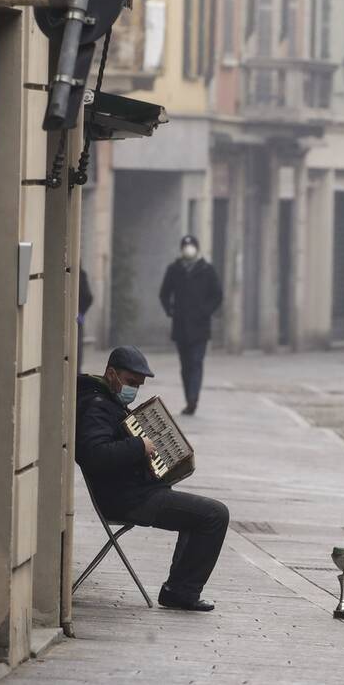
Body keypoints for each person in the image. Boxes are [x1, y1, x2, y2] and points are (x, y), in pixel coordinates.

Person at [75, 346, 229, 612]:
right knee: (214, 514)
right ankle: (181, 592)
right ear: (111, 374)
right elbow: (94, 454)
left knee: (202, 514)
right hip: (126, 499)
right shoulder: (97, 406)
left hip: (135, 492)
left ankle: (179, 590)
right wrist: (139, 446)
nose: (134, 389)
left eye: (138, 385)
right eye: (131, 382)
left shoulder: (110, 402)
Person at [158, 235, 223, 415]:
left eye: (191, 246)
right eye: (185, 246)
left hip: (200, 327)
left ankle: (193, 399)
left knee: (196, 362)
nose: (188, 249)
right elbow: (164, 293)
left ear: (197, 248)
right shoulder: (174, 270)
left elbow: (217, 295)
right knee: (185, 365)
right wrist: (170, 310)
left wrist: (205, 311)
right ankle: (189, 398)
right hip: (180, 326)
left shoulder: (207, 270)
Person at [77, 266, 94, 372]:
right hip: (77, 318)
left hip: (76, 318)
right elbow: (88, 296)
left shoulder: (79, 274)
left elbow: (88, 296)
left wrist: (80, 312)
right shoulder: (79, 273)